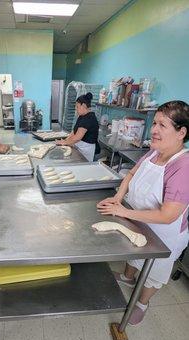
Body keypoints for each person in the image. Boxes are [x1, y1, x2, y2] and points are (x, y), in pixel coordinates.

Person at [97, 100, 189, 325]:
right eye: (154, 123)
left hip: (165, 233)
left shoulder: (182, 166)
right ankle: (128, 278)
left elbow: (168, 215)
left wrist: (123, 212)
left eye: (162, 125)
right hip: (138, 219)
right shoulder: (153, 153)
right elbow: (130, 175)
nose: (154, 130)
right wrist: (118, 198)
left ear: (181, 132)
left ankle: (141, 303)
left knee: (153, 271)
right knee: (135, 252)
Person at [56, 92, 100, 161]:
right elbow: (74, 132)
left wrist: (64, 142)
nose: (76, 109)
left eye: (77, 107)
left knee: (83, 165)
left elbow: (77, 138)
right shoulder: (81, 116)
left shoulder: (89, 118)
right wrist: (66, 140)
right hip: (79, 146)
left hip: (86, 149)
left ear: (84, 105)